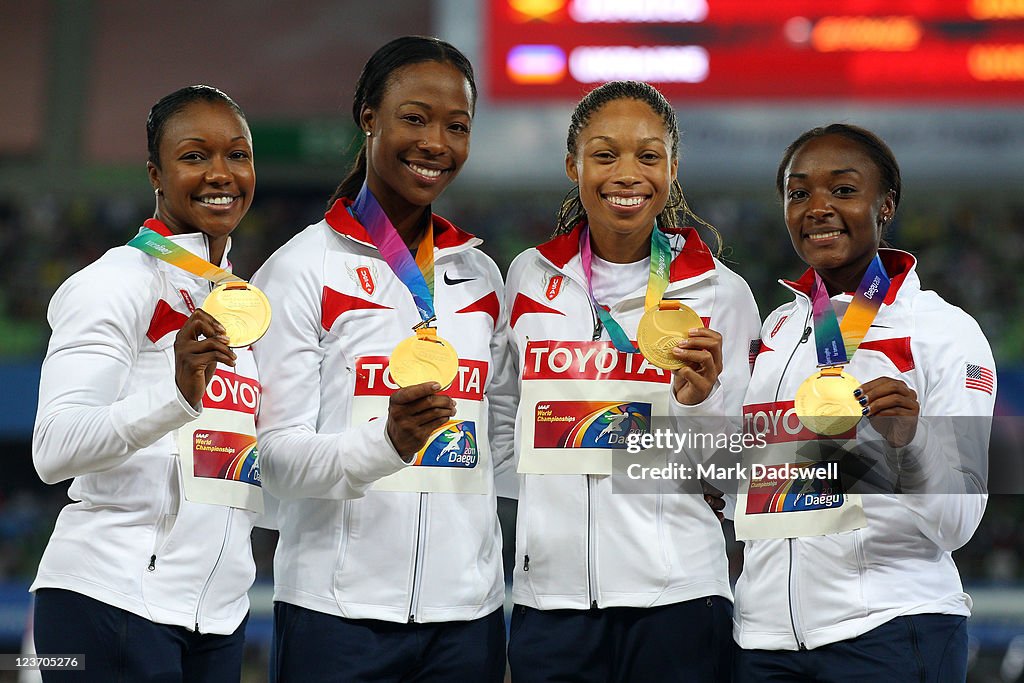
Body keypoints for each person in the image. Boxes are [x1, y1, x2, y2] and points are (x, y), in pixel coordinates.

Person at [250, 36, 514, 682]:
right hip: (335, 616)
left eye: (457, 126)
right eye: (415, 117)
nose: (436, 143)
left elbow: (503, 445)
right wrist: (386, 445)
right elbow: (273, 458)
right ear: (368, 117)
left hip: (468, 619)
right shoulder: (299, 270)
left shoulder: (482, 279)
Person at [504, 80, 761, 682]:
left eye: (648, 155)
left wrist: (696, 410)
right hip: (552, 602)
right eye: (604, 154)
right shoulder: (526, 279)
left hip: (679, 599)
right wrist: (537, 536)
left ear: (673, 168)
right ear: (573, 164)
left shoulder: (720, 292)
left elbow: (743, 468)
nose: (627, 174)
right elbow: (504, 421)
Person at [733, 124, 995, 681]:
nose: (818, 208)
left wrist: (912, 445)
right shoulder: (778, 329)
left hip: (889, 632)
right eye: (799, 193)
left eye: (844, 190)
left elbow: (961, 521)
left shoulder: (944, 331)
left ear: (886, 206)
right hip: (764, 640)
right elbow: (754, 480)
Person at [31, 85, 262, 682]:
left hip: (216, 616)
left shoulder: (235, 299)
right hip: (106, 601)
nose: (221, 173)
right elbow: (54, 449)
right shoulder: (113, 283)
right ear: (156, 174)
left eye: (237, 155)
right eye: (195, 156)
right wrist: (176, 397)